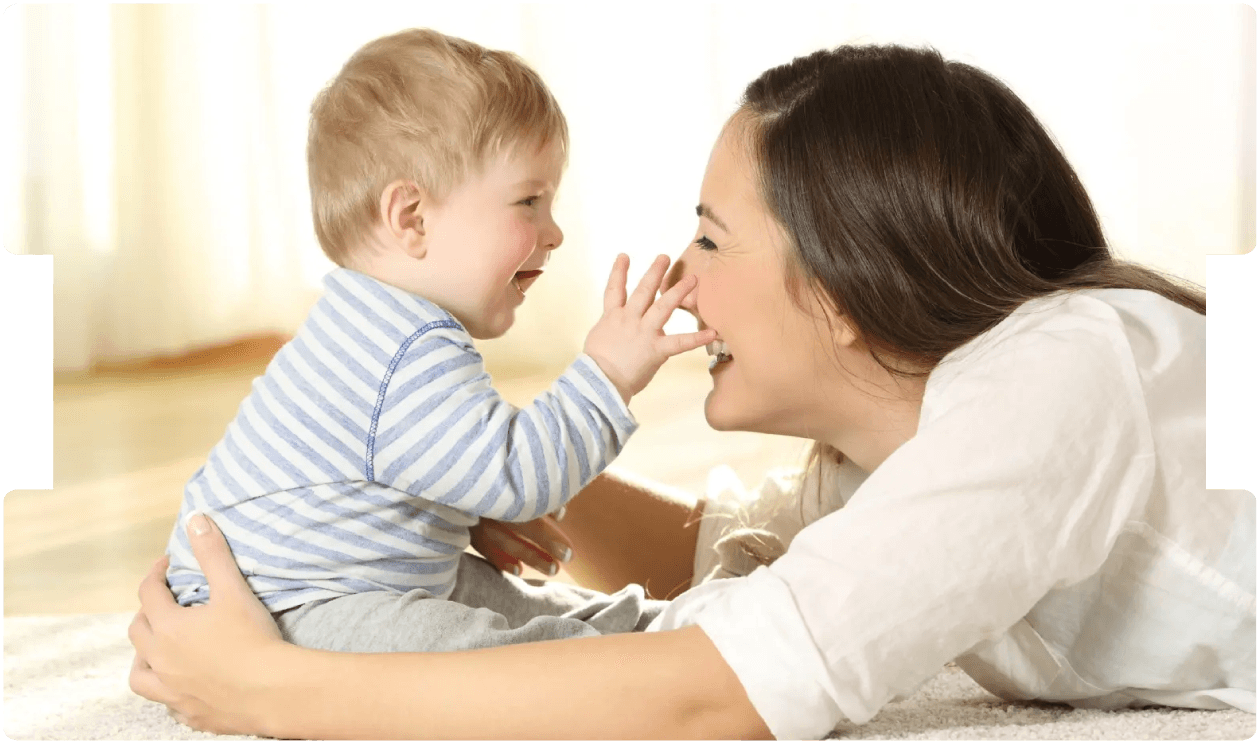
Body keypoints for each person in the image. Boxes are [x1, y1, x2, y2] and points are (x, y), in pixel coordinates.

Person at [130, 43, 1255, 740]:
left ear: (844, 285)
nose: (680, 275)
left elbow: (713, 696)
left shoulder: (1061, 378)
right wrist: (435, 479)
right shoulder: (898, 456)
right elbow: (722, 559)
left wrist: (272, 688)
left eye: (710, 238)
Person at [163, 27, 715, 655]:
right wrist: (609, 372)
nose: (554, 232)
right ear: (414, 218)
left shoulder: (367, 321)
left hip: (317, 589)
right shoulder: (405, 346)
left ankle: (643, 632)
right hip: (284, 609)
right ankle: (638, 651)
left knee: (499, 601)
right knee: (484, 649)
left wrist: (459, 513)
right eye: (529, 201)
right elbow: (516, 476)